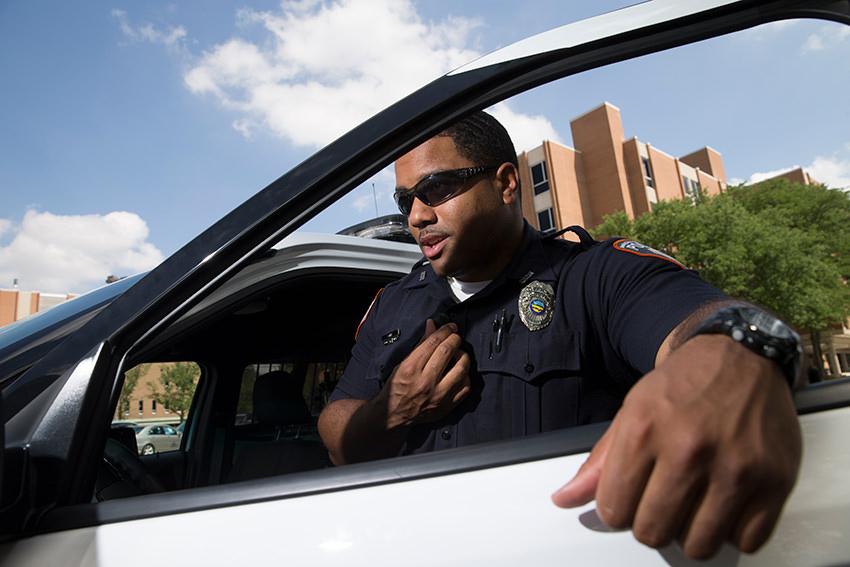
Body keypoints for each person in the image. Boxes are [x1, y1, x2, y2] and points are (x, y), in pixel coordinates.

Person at [317, 111, 802, 560]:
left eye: (437, 188)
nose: (417, 216)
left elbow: (703, 323)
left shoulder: (594, 273)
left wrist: (732, 356)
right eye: (407, 200)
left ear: (506, 183)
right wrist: (393, 410)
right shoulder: (392, 304)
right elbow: (338, 440)